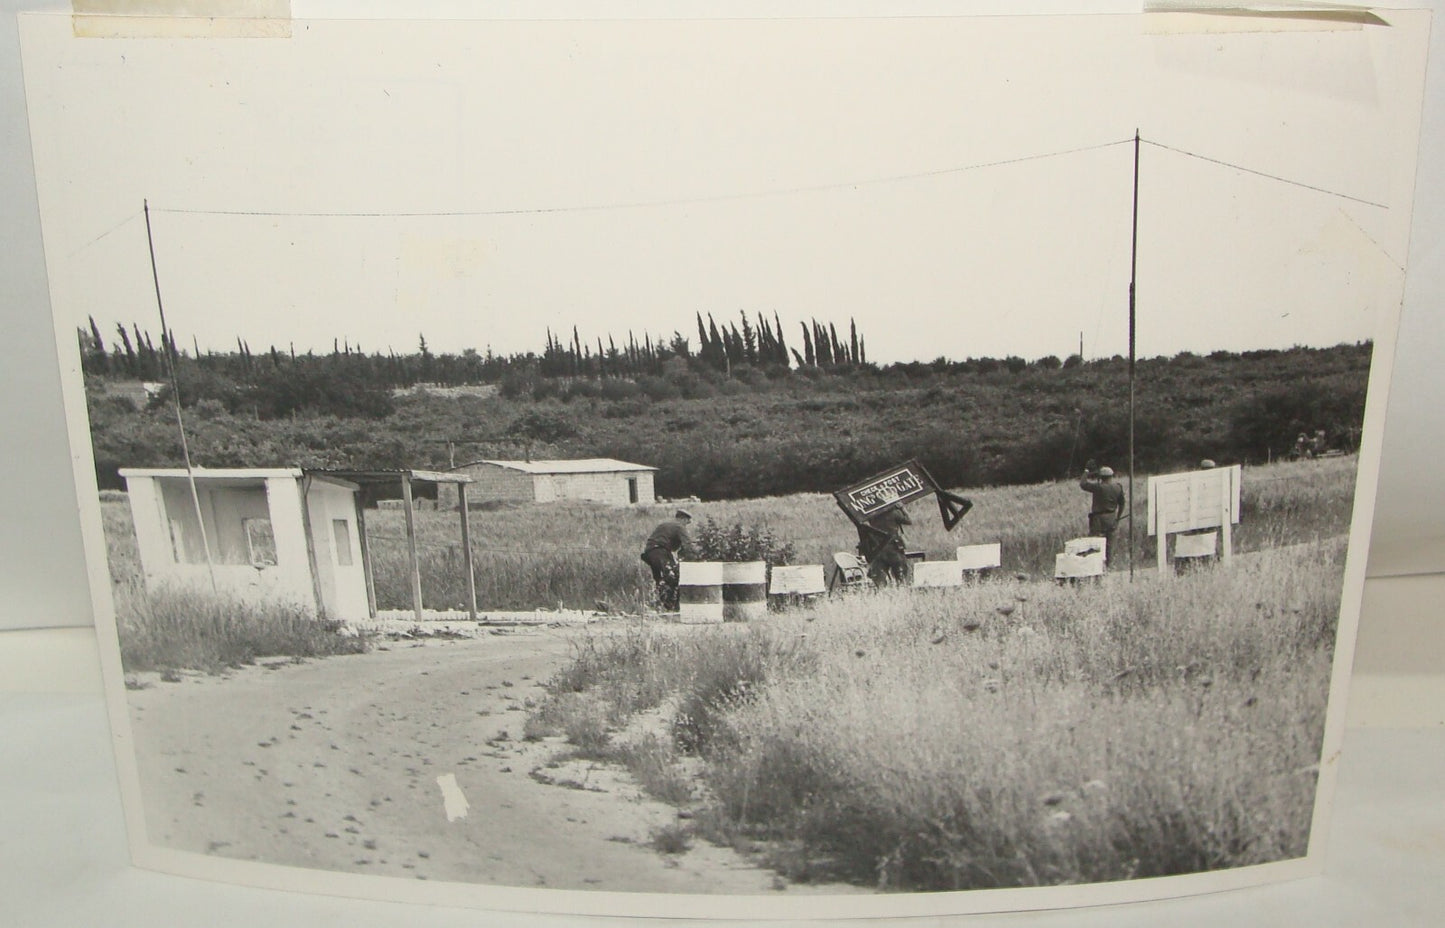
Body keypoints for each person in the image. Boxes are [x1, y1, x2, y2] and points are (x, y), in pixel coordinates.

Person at [640, 509, 694, 611]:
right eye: (687, 521)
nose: (687, 524)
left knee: (659, 579)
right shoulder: (679, 527)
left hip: (650, 552)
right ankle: (672, 606)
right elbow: (688, 546)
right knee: (672, 576)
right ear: (682, 519)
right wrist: (696, 558)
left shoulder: (664, 525)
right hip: (661, 551)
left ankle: (661, 604)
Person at [1079, 463, 1126, 567]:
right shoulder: (1118, 487)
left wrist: (1086, 471)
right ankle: (1109, 567)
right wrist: (1118, 518)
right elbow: (1122, 503)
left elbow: (1083, 484)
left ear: (1101, 477)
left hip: (1098, 519)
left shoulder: (1098, 487)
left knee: (1094, 543)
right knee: (1110, 546)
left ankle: (1094, 566)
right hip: (1112, 518)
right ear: (1111, 476)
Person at [858, 502, 912, 586]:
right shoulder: (894, 513)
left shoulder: (872, 515)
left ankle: (882, 595)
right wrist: (902, 508)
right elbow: (909, 520)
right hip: (894, 548)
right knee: (901, 577)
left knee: (879, 579)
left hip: (878, 549)